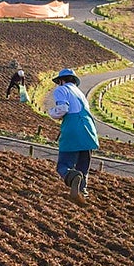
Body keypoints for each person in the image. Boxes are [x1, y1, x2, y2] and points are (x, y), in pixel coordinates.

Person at [48, 68, 99, 205]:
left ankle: (72, 176)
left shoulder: (61, 89)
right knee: (83, 165)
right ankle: (82, 193)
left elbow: (63, 109)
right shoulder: (80, 93)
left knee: (63, 165)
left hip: (74, 128)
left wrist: (52, 112)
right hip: (89, 129)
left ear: (61, 81)